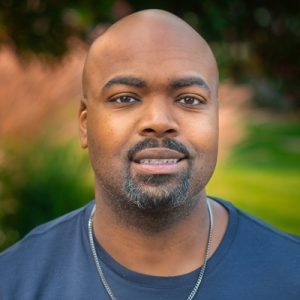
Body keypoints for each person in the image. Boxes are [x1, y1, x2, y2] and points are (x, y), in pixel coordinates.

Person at [0, 9, 299, 300]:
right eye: (125, 97)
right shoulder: (14, 281)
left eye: (189, 99)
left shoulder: (291, 275)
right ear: (84, 125)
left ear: (216, 120)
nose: (158, 121)